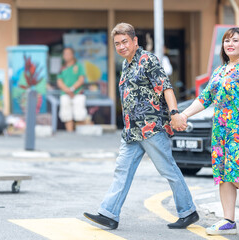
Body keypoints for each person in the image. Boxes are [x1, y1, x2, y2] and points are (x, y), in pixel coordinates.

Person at [84, 23, 198, 230]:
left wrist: (174, 114)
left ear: (135, 41)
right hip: (131, 130)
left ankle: (188, 211)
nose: (121, 47)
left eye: (124, 42)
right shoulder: (126, 65)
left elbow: (166, 87)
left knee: (168, 170)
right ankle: (109, 213)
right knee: (122, 170)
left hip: (150, 128)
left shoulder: (148, 60)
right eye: (117, 44)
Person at [175, 27, 239, 235]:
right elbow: (204, 99)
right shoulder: (220, 70)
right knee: (223, 175)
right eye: (226, 41)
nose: (230, 44)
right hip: (219, 131)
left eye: (235, 40)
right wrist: (184, 115)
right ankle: (228, 221)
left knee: (234, 172)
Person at [57, 47, 88, 132]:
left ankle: (81, 134)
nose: (66, 56)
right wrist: (67, 90)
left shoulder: (78, 66)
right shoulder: (62, 68)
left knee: (80, 114)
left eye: (68, 53)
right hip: (65, 94)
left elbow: (81, 79)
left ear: (72, 55)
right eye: (64, 54)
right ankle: (70, 133)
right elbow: (59, 81)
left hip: (78, 93)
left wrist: (72, 89)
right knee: (66, 115)